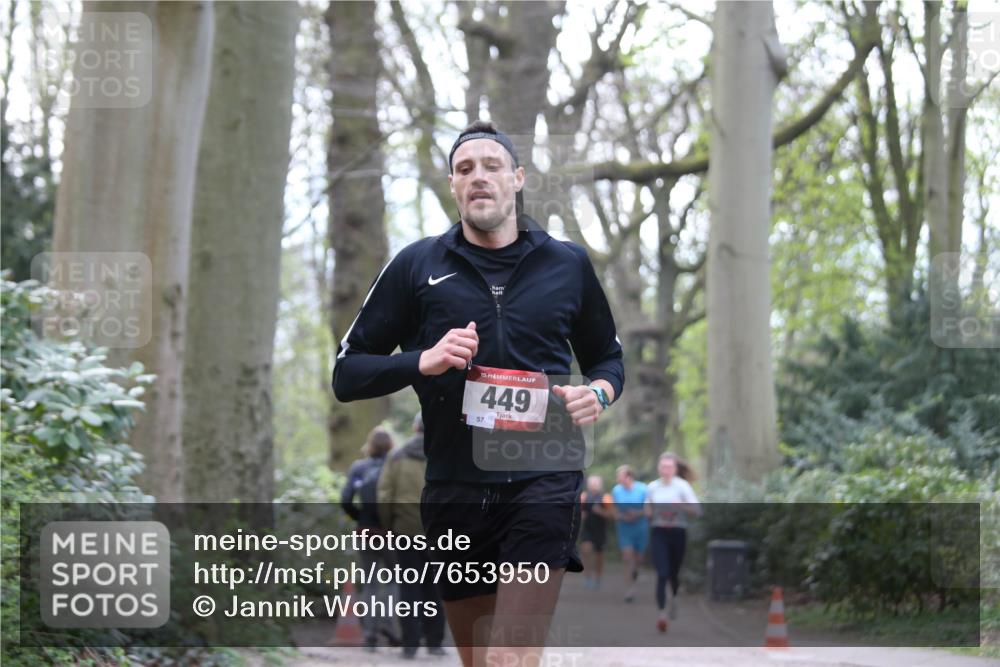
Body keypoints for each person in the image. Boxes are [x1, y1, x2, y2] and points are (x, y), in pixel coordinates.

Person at [332, 119, 624, 667]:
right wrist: (423, 359)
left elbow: (607, 356)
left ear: (516, 179)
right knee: (479, 659)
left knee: (508, 658)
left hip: (545, 478)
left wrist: (602, 391)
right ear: (452, 185)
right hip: (454, 489)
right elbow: (347, 374)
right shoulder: (417, 265)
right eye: (465, 169)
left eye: (491, 166)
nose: (479, 177)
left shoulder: (566, 263)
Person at [376, 413, 447, 659]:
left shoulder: (397, 456)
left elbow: (384, 495)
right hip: (438, 532)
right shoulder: (445, 454)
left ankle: (410, 644)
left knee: (409, 587)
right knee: (435, 587)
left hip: (405, 530)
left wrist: (388, 525)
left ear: (415, 427)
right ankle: (435, 642)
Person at [340, 426, 400, 651]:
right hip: (391, 532)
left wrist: (360, 518)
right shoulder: (395, 466)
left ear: (370, 445)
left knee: (370, 582)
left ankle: (369, 635)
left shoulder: (359, 468)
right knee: (395, 581)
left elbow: (345, 499)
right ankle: (390, 626)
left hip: (366, 532)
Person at [644, 452, 700, 633]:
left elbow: (697, 510)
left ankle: (673, 598)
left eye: (669, 467)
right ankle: (662, 614)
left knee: (673, 574)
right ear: (659, 468)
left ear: (675, 469)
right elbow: (647, 505)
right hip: (659, 532)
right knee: (662, 573)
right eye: (663, 467)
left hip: (678, 532)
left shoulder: (682, 486)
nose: (666, 470)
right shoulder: (652, 487)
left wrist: (681, 506)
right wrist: (648, 511)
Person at [611, 464, 648, 603]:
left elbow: (648, 509)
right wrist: (620, 517)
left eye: (619, 476)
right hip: (624, 528)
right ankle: (629, 590)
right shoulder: (616, 490)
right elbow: (614, 510)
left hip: (640, 527)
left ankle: (636, 572)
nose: (617, 479)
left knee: (638, 559)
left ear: (629, 477)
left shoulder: (643, 489)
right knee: (627, 557)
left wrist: (637, 513)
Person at [579, 475, 612, 590]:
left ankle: (598, 578)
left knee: (599, 556)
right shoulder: (584, 497)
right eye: (591, 483)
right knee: (586, 550)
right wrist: (581, 516)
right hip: (587, 530)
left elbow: (611, 515)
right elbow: (579, 513)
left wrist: (600, 512)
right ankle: (587, 577)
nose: (593, 485)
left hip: (600, 531)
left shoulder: (606, 498)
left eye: (596, 483)